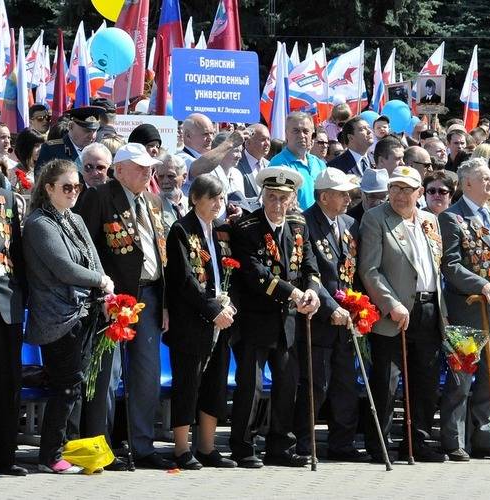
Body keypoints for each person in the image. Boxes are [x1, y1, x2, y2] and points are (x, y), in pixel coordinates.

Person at [75, 143, 172, 470]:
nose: (148, 172)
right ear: (119, 170)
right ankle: (100, 448)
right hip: (113, 300)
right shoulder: (100, 197)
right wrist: (100, 293)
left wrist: (166, 304)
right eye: (141, 167)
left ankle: (142, 446)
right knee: (108, 375)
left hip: (151, 296)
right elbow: (86, 249)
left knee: (147, 375)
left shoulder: (154, 201)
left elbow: (161, 254)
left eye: (150, 168)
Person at [23, 159, 114, 473]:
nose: (74, 191)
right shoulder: (38, 224)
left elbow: (93, 259)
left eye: (77, 186)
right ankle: (50, 455)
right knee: (66, 385)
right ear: (48, 189)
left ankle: (64, 449)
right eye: (66, 186)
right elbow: (64, 268)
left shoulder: (74, 218)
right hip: (55, 318)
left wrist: (105, 292)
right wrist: (100, 281)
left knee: (74, 385)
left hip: (82, 314)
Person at [229, 167, 321, 468]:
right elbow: (256, 274)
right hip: (256, 319)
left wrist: (312, 292)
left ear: (292, 199)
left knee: (287, 385)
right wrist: (293, 294)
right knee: (251, 387)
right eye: (271, 197)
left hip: (289, 321)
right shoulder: (247, 228)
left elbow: (309, 265)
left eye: (283, 198)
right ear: (263, 197)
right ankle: (244, 446)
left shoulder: (298, 225)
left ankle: (281, 446)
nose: (277, 204)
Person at [359, 166, 448, 463]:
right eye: (395, 188)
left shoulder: (429, 220)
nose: (399, 195)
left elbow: (436, 265)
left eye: (407, 189)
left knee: (425, 380)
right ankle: (379, 444)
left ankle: (417, 441)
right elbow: (370, 269)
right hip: (394, 311)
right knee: (388, 380)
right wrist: (391, 303)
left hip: (428, 308)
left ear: (419, 193)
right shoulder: (375, 219)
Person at [439, 158, 490, 461]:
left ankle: (486, 438)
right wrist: (479, 285)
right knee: (461, 381)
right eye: (484, 178)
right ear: (467, 183)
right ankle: (453, 440)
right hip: (467, 311)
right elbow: (451, 265)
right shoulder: (451, 217)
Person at [164, 175, 237, 470]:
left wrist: (229, 304)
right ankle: (182, 448)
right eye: (212, 199)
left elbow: (230, 272)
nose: (218, 205)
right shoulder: (182, 230)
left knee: (215, 383)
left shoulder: (222, 231)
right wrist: (211, 310)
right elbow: (185, 280)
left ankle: (207, 446)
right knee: (188, 383)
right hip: (192, 320)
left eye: (221, 199)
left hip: (221, 317)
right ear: (195, 198)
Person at [293, 168, 366, 462]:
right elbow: (308, 273)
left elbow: (352, 272)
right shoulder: (304, 224)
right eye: (341, 193)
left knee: (345, 384)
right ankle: (304, 444)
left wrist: (359, 307)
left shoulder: (349, 223)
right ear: (324, 196)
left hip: (345, 320)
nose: (348, 198)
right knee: (315, 384)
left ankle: (342, 444)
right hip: (317, 318)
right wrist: (330, 307)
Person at [0, 184, 26, 476]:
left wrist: (23, 293)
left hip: (5, 299)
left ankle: (4, 456)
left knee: (7, 383)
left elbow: (15, 247)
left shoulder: (2, 195)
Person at [268, 112, 327, 210]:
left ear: (312, 134)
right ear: (286, 133)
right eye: (296, 131)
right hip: (295, 223)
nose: (301, 135)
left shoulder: (319, 164)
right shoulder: (279, 164)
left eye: (305, 131)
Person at [35, 107, 105, 176]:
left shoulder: (99, 151)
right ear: (71, 126)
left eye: (95, 130)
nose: (92, 136)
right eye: (86, 131)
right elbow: (40, 179)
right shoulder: (51, 150)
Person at [155, 153, 189, 233]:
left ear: (184, 177)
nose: (165, 181)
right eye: (161, 176)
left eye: (170, 176)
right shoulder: (153, 206)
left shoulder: (193, 205)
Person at [10, 128, 45, 194]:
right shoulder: (13, 173)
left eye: (42, 145)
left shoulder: (43, 169)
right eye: (36, 146)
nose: (40, 149)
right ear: (26, 147)